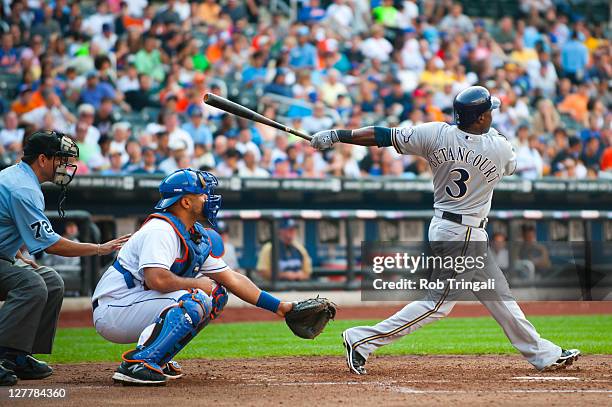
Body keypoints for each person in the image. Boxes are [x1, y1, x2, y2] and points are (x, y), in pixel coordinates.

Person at [310, 86, 580, 374]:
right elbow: (509, 162)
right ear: (478, 119)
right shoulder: (499, 147)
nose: (492, 115)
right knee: (437, 304)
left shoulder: (436, 133)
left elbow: (381, 135)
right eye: (489, 112)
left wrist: (339, 135)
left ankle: (543, 354)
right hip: (461, 235)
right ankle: (361, 339)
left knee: (499, 296)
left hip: (447, 226)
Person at [91, 169, 308, 385]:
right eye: (203, 194)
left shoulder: (193, 234)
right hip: (115, 309)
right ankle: (139, 363)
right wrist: (196, 283)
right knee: (196, 298)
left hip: (137, 302)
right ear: (186, 202)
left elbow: (232, 279)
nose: (208, 198)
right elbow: (156, 280)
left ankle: (159, 357)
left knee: (216, 294)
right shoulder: (160, 230)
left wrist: (279, 307)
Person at [0, 131, 129, 386]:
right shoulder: (22, 187)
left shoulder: (18, 176)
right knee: (32, 284)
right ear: (42, 159)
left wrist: (16, 251)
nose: (65, 165)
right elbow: (52, 245)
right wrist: (100, 248)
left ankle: (17, 355)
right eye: (60, 159)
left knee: (51, 281)